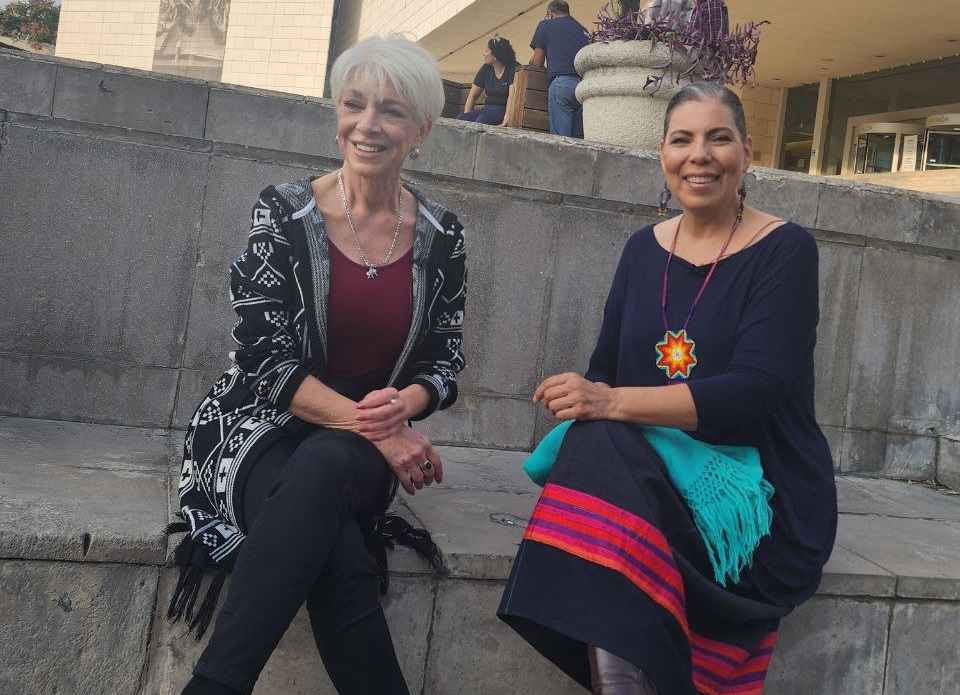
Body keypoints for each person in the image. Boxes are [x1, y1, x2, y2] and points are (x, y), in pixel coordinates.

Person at [498, 82, 837, 695]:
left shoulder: (785, 250)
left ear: (747, 153)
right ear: (663, 155)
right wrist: (589, 397)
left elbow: (754, 391)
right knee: (594, 436)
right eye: (682, 140)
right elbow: (605, 370)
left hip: (756, 499)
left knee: (599, 436)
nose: (698, 155)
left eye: (718, 138)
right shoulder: (641, 250)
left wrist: (608, 402)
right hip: (659, 483)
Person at [169, 36, 467, 695]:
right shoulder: (284, 210)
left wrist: (405, 406)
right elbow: (262, 359)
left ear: (421, 130)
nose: (367, 124)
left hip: (358, 446)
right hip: (254, 426)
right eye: (354, 104)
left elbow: (444, 359)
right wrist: (384, 430)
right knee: (335, 550)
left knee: (327, 467)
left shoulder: (443, 234)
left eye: (390, 110)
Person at [528, 0, 589, 137]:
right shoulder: (583, 30)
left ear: (550, 13)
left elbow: (537, 62)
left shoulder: (545, 25)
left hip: (561, 84)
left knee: (560, 140)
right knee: (576, 142)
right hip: (582, 87)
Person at [456, 36, 520, 127]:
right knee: (461, 118)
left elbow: (511, 97)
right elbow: (472, 95)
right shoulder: (486, 68)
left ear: (495, 56)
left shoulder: (513, 68)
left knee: (482, 119)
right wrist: (466, 119)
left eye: (487, 51)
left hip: (503, 110)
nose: (484, 54)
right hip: (487, 109)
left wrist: (505, 122)